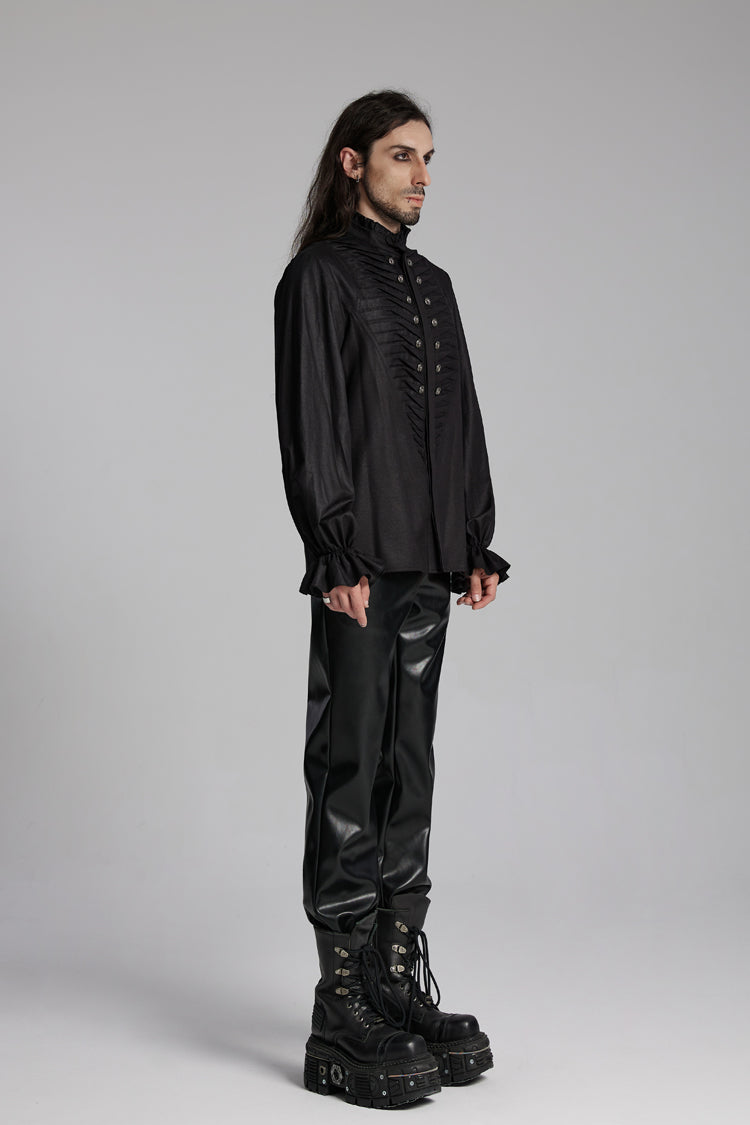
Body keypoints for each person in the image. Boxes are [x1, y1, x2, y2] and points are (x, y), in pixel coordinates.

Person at [274, 89, 510, 1109]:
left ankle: (394, 978)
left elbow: (462, 416)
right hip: (363, 563)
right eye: (403, 155)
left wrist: (474, 537)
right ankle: (340, 1007)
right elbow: (314, 420)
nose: (421, 176)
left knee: (409, 767)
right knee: (350, 765)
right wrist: (333, 549)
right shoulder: (319, 278)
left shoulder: (435, 286)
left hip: (427, 558)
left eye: (429, 159)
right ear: (352, 162)